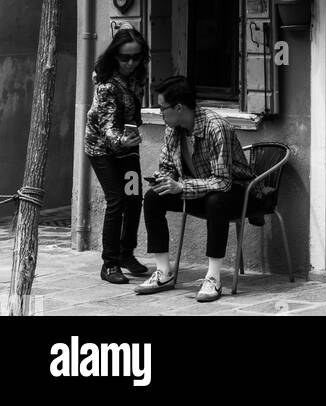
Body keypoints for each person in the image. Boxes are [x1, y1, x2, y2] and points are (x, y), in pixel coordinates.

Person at [136, 75, 252, 303]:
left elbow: (222, 181)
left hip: (238, 191)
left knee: (215, 201)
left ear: (179, 107)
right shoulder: (173, 129)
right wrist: (165, 180)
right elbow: (167, 165)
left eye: (162, 108)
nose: (160, 113)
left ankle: (213, 277)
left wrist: (181, 186)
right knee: (153, 197)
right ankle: (163, 273)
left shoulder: (216, 127)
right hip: (198, 188)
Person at [84, 27, 151, 284]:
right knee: (117, 201)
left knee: (134, 198)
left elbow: (133, 114)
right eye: (125, 58)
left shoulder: (138, 77)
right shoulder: (106, 85)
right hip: (102, 149)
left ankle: (126, 254)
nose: (131, 63)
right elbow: (108, 126)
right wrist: (123, 139)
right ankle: (109, 264)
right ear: (115, 56)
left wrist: (131, 137)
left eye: (136, 57)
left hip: (128, 149)